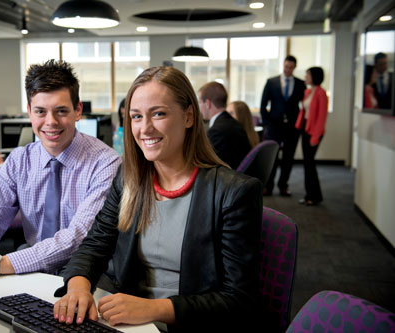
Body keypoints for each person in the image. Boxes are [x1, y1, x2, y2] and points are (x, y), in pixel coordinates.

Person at [52, 66, 263, 332]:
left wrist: (154, 308)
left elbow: (238, 300)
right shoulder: (129, 179)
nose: (145, 128)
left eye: (159, 114)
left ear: (188, 117)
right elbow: (94, 246)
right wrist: (79, 287)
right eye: (136, 117)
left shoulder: (233, 192)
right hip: (130, 320)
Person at [0, 60, 120, 275]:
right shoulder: (18, 161)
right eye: (40, 111)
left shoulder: (105, 163)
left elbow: (78, 237)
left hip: (86, 272)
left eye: (61, 111)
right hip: (30, 268)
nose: (51, 122)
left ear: (78, 110)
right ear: (29, 112)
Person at [260, 55, 306, 196]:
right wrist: (267, 123)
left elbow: (303, 107)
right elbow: (263, 105)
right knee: (272, 156)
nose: (288, 69)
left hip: (292, 128)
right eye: (286, 66)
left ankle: (283, 185)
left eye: (291, 67)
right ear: (283, 65)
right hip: (274, 126)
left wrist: (300, 125)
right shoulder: (271, 82)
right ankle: (268, 186)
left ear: (294, 67)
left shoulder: (300, 84)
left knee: (288, 157)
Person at [198, 82, 251, 169]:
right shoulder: (232, 123)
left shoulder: (217, 131)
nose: (199, 107)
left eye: (200, 102)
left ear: (208, 103)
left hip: (228, 179)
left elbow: (205, 163)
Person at [295, 67, 328, 206]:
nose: (305, 76)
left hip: (314, 132)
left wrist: (315, 136)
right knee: (308, 164)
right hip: (305, 129)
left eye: (307, 74)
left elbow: (321, 118)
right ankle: (311, 195)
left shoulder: (321, 94)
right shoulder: (308, 91)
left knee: (309, 164)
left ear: (314, 76)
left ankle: (314, 196)